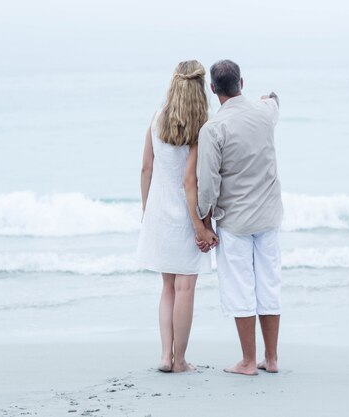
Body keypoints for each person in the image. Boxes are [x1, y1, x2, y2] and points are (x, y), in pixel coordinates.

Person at [195, 59, 283, 376]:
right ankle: (271, 359)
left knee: (241, 289)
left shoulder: (214, 129)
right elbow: (273, 100)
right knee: (269, 286)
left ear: (213, 89)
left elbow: (208, 184)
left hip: (235, 221)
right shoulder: (265, 113)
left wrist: (203, 221)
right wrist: (268, 98)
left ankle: (248, 361)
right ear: (242, 83)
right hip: (269, 217)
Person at [136, 60, 217, 373]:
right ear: (199, 88)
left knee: (167, 288)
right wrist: (200, 227)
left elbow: (146, 168)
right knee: (185, 289)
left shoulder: (157, 120)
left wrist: (146, 209)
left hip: (159, 215)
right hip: (186, 218)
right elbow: (191, 182)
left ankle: (164, 357)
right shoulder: (201, 128)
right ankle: (180, 360)